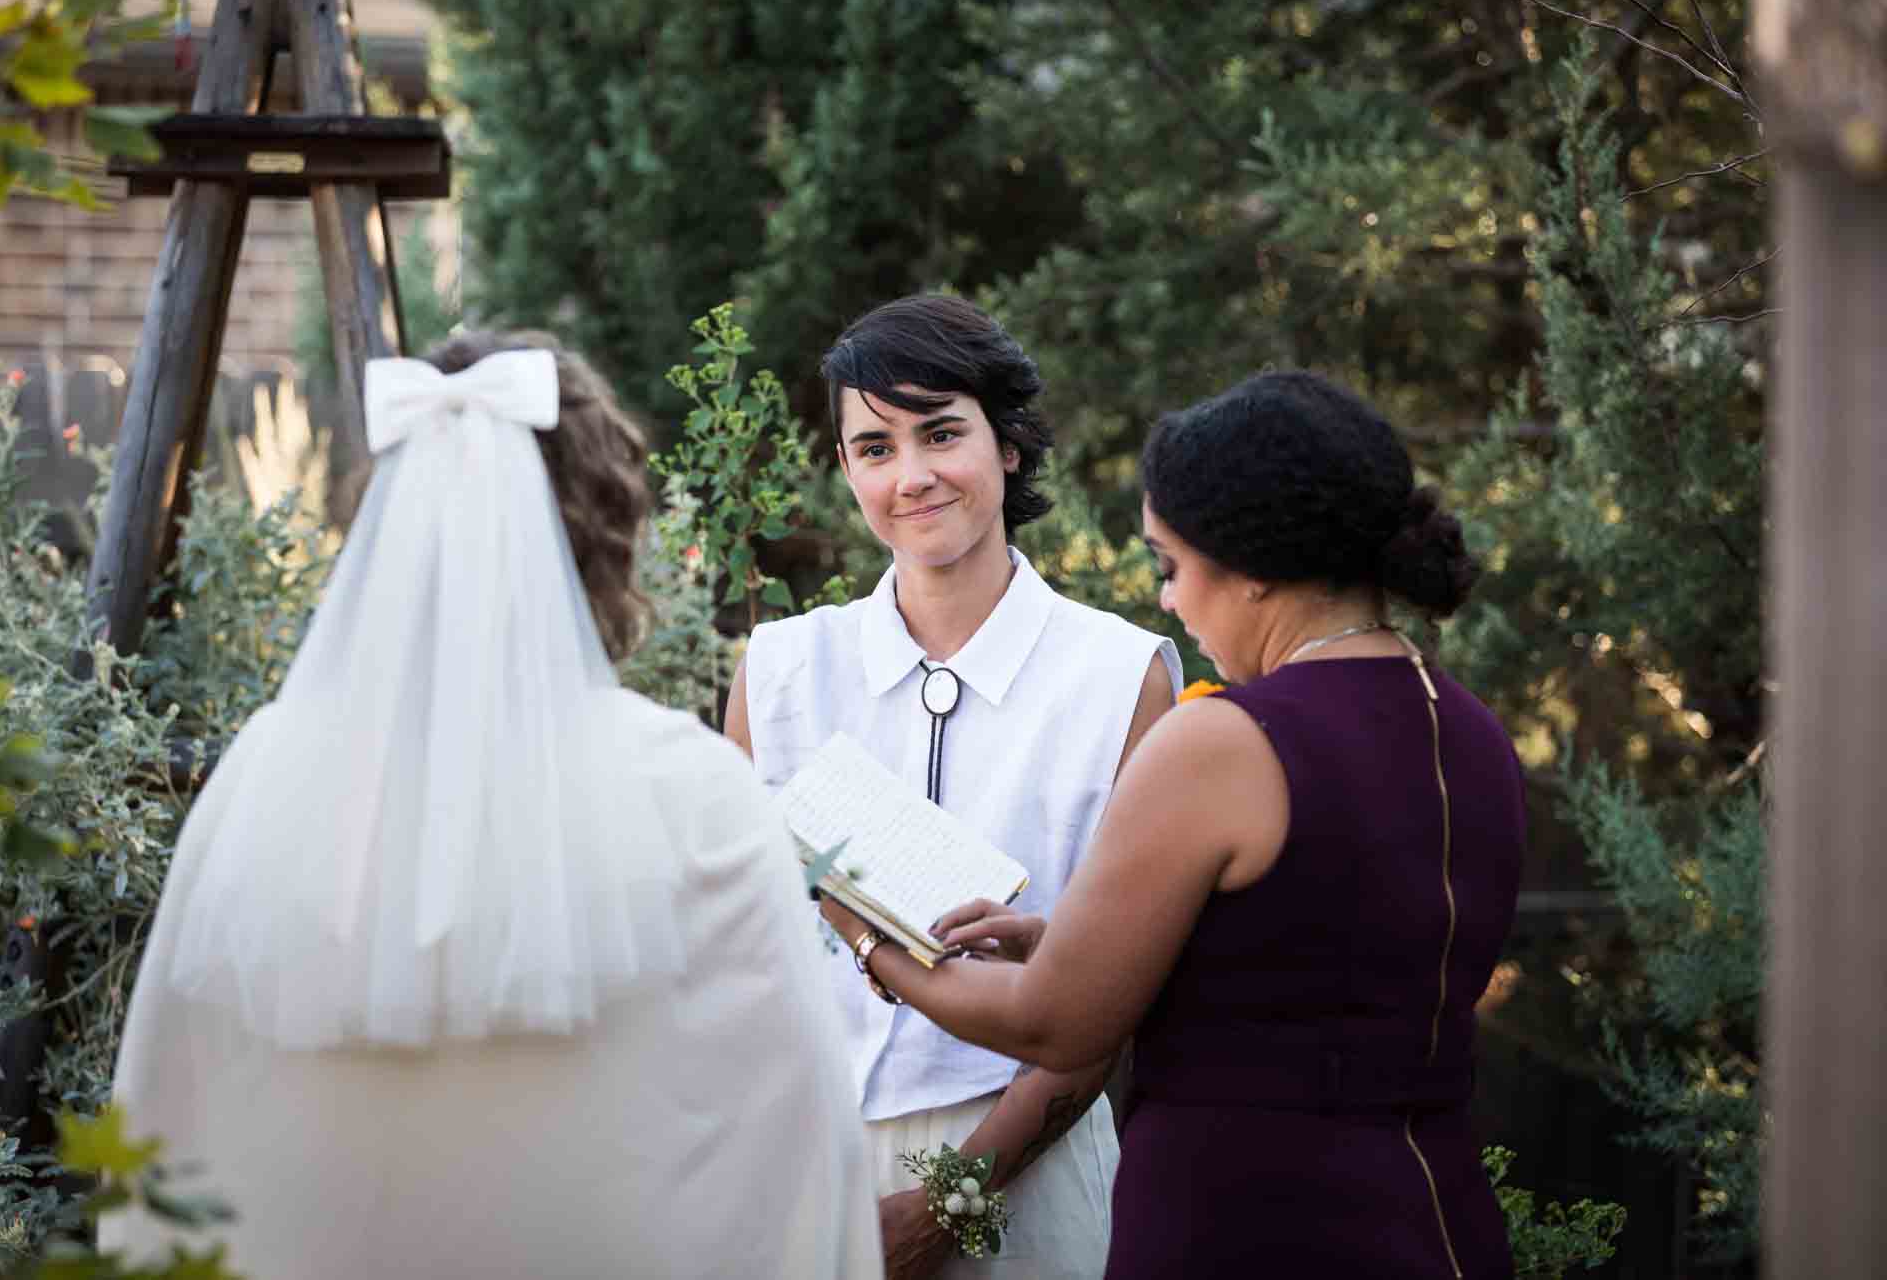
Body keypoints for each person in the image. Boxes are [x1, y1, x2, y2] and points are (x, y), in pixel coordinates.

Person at [103, 332, 882, 1279]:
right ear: (610, 536)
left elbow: (161, 1122)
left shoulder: (262, 779)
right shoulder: (699, 799)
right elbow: (803, 1161)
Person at [821, 369, 1527, 1278]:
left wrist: (863, 929)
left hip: (1249, 1223)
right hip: (1435, 1222)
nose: (1166, 601)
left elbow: (1053, 1025)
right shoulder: (1470, 729)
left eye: (1170, 566)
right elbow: (1322, 960)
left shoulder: (1223, 741)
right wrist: (1064, 937)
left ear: (1253, 569)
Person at [725, 294, 1181, 1279]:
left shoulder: (1121, 676)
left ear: (1008, 445)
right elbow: (739, 960)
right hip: (810, 1166)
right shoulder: (779, 670)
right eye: (873, 447)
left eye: (939, 432)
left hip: (1037, 1169)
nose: (911, 474)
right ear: (844, 468)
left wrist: (947, 1202)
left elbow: (1113, 994)